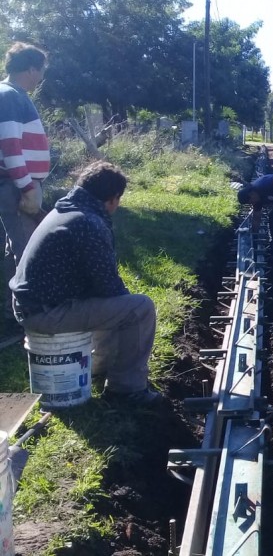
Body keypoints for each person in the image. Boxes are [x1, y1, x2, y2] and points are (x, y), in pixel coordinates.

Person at [10, 161, 163, 405]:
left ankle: (100, 366)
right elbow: (109, 288)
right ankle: (126, 389)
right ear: (113, 198)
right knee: (138, 308)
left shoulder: (65, 210)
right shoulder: (88, 222)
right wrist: (125, 302)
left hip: (33, 306)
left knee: (113, 304)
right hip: (46, 313)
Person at [0, 43, 50, 325]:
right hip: (17, 187)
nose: (41, 77)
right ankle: (29, 318)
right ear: (31, 68)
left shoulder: (12, 95)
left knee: (23, 248)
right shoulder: (9, 95)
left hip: (19, 185)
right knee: (28, 252)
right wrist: (27, 187)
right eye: (41, 71)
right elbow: (10, 146)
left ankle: (21, 311)